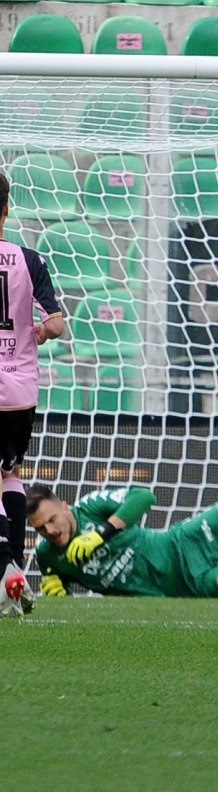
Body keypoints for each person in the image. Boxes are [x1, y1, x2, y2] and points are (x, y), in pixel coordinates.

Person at [27, 452, 218, 600]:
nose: (50, 531)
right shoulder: (47, 556)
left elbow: (144, 496)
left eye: (52, 519)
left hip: (181, 545)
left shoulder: (91, 507)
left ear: (64, 506)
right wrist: (59, 596)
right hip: (185, 588)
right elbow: (59, 591)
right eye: (41, 529)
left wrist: (104, 532)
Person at [0, 171, 64, 619]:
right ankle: (16, 572)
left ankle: (6, 571)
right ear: (6, 209)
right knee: (10, 473)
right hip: (20, 391)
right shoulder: (28, 258)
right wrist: (38, 331)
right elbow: (57, 324)